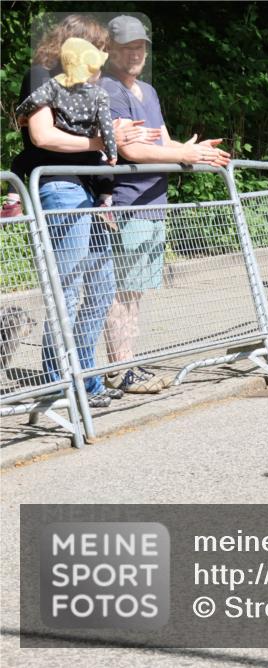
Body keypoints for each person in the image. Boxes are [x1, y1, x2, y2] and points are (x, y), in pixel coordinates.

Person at [11, 14, 159, 409]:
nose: (102, 54)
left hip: (92, 192)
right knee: (70, 287)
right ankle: (58, 379)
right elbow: (43, 135)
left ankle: (84, 376)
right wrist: (100, 142)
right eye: (97, 45)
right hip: (59, 187)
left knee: (100, 287)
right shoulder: (42, 75)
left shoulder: (90, 84)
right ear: (74, 43)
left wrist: (107, 179)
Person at [98, 15, 231, 394]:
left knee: (133, 291)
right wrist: (185, 154)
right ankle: (119, 369)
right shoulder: (109, 90)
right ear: (109, 51)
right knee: (121, 291)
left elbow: (164, 142)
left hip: (153, 202)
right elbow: (129, 147)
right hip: (127, 202)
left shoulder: (148, 91)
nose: (136, 54)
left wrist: (193, 151)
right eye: (128, 48)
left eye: (140, 47)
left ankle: (126, 364)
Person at [15, 38, 118, 166]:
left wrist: (22, 113)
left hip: (63, 145)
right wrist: (112, 153)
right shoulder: (100, 94)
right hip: (86, 146)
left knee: (19, 162)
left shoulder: (55, 85)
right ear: (91, 69)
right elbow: (106, 126)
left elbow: (33, 100)